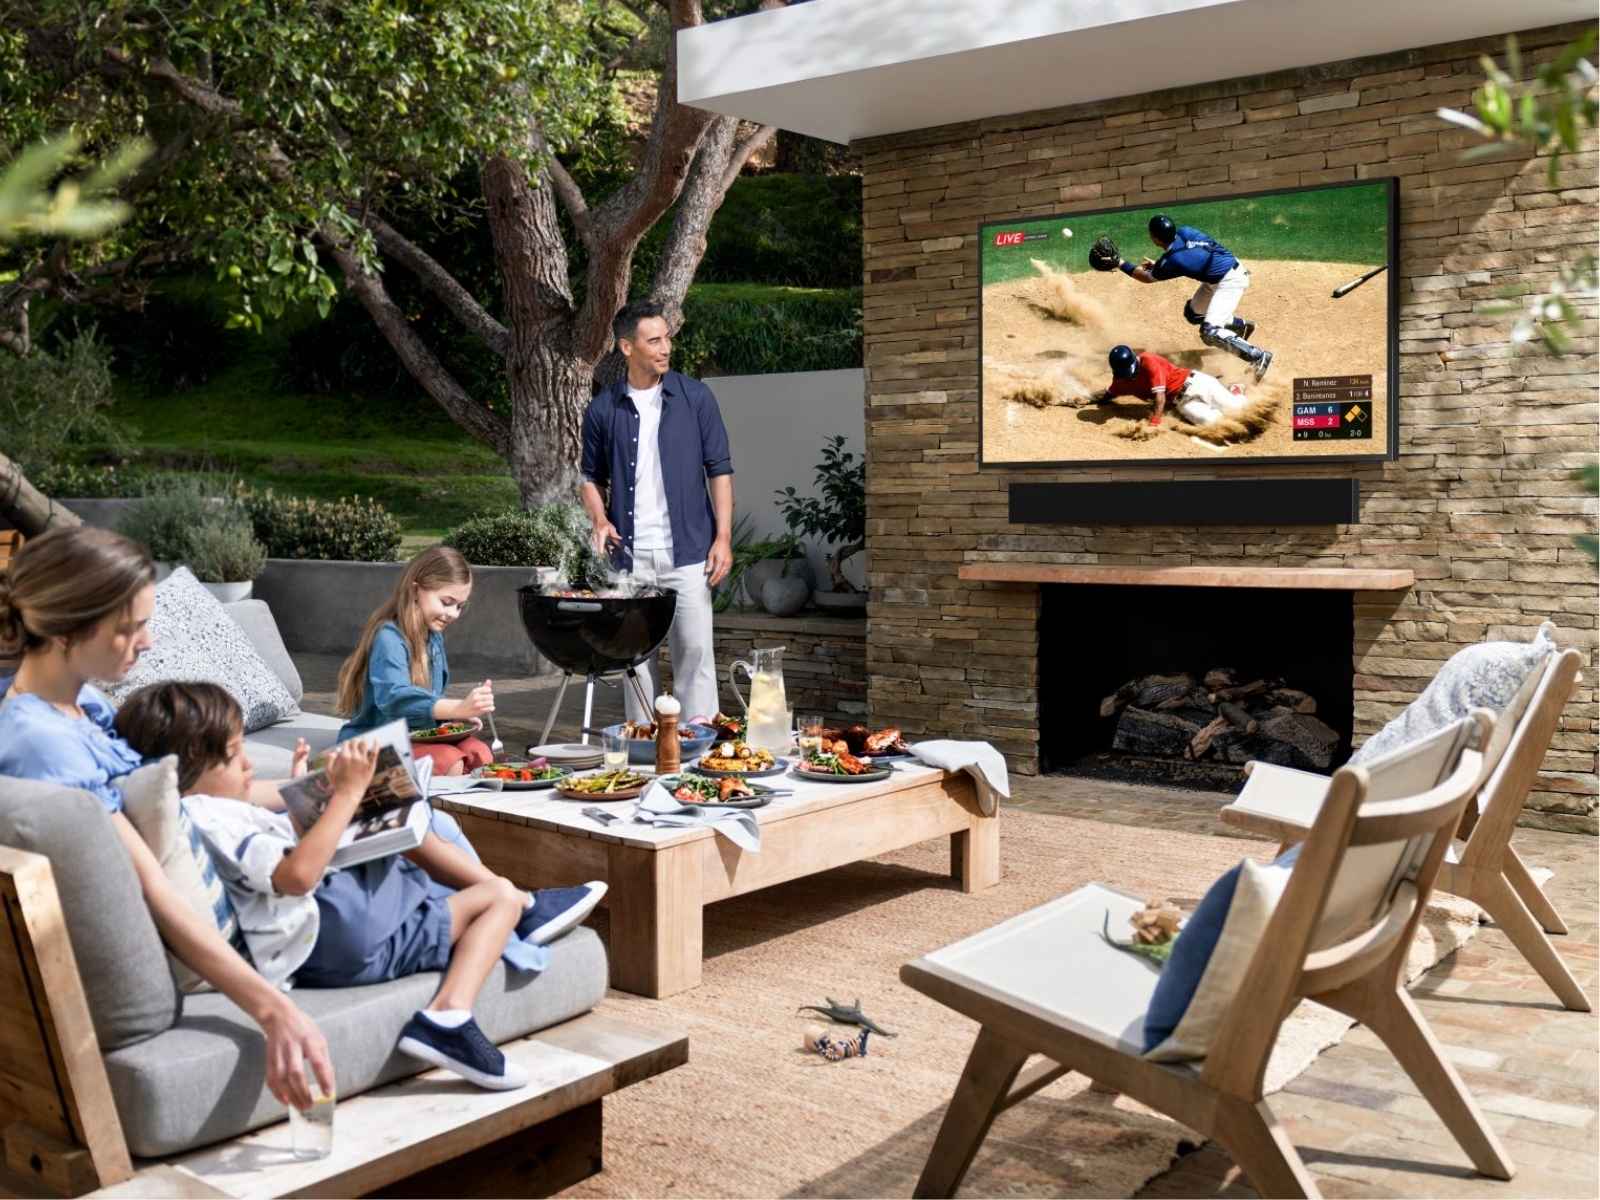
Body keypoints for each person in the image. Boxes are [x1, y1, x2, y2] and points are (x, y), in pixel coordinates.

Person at [0, 526, 331, 1111]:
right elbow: (153, 885)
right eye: (130, 627)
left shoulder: (84, 705)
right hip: (234, 924)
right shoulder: (44, 745)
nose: (148, 643)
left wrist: (315, 790)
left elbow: (175, 802)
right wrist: (273, 1008)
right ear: (65, 629)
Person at [115, 681, 533, 1090]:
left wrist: (307, 793)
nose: (248, 765)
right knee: (498, 898)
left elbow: (270, 857)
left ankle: (516, 911)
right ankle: (450, 1014)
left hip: (323, 932)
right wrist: (347, 795)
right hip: (339, 934)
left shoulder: (209, 812)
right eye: (232, 755)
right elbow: (296, 877)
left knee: (401, 825)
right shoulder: (215, 814)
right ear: (185, 767)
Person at [580, 299, 735, 722]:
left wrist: (722, 539)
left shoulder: (695, 397)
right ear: (627, 348)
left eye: (667, 338)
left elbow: (719, 470)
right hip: (628, 559)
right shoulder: (603, 409)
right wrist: (599, 518)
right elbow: (588, 477)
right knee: (634, 661)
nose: (665, 347)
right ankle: (645, 754)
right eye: (654, 340)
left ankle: (700, 754)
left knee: (696, 658)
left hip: (688, 554)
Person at [336, 546, 493, 776]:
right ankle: (433, 811)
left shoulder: (433, 638)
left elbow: (428, 699)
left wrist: (456, 715)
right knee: (449, 761)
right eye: (446, 601)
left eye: (460, 606)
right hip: (374, 740)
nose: (453, 613)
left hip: (415, 735)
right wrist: (456, 707)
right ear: (416, 590)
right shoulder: (388, 637)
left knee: (481, 754)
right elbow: (395, 698)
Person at [1103, 214, 1272, 381]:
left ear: (1154, 238)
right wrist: (1161, 266)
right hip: (1221, 273)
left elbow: (1146, 277)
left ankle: (1258, 356)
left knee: (1209, 333)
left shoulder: (1173, 260)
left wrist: (1120, 263)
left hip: (1229, 282)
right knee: (1193, 314)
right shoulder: (1186, 232)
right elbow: (1194, 256)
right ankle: (1240, 327)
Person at [1097, 344, 1251, 428]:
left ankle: (1235, 389)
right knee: (1215, 424)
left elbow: (1160, 398)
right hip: (1184, 403)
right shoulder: (1121, 380)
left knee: (1239, 410)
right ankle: (1224, 399)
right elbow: (1108, 394)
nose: (1128, 375)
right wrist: (1087, 398)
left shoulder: (1148, 361)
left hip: (1196, 383)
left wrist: (1154, 422)